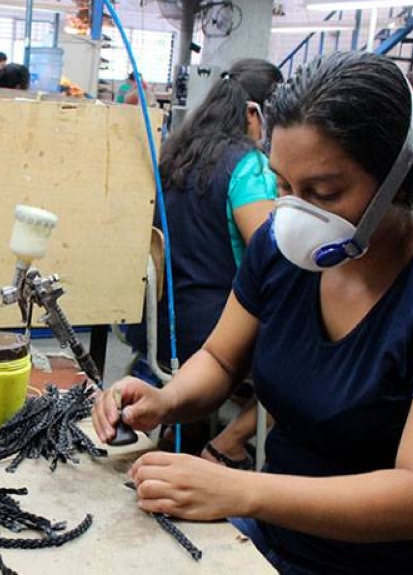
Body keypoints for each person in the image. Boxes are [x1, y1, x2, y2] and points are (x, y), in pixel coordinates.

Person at [94, 51, 413, 573]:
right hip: (271, 539)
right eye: (284, 186)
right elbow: (222, 360)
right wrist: (167, 399)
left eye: (324, 192)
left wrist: (241, 490)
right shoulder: (281, 248)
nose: (295, 213)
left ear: (400, 179)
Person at [126, 58, 282, 464]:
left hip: (157, 325)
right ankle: (230, 442)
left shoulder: (175, 155)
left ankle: (185, 429)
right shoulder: (249, 167)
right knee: (304, 349)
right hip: (213, 335)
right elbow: (273, 251)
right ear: (253, 113)